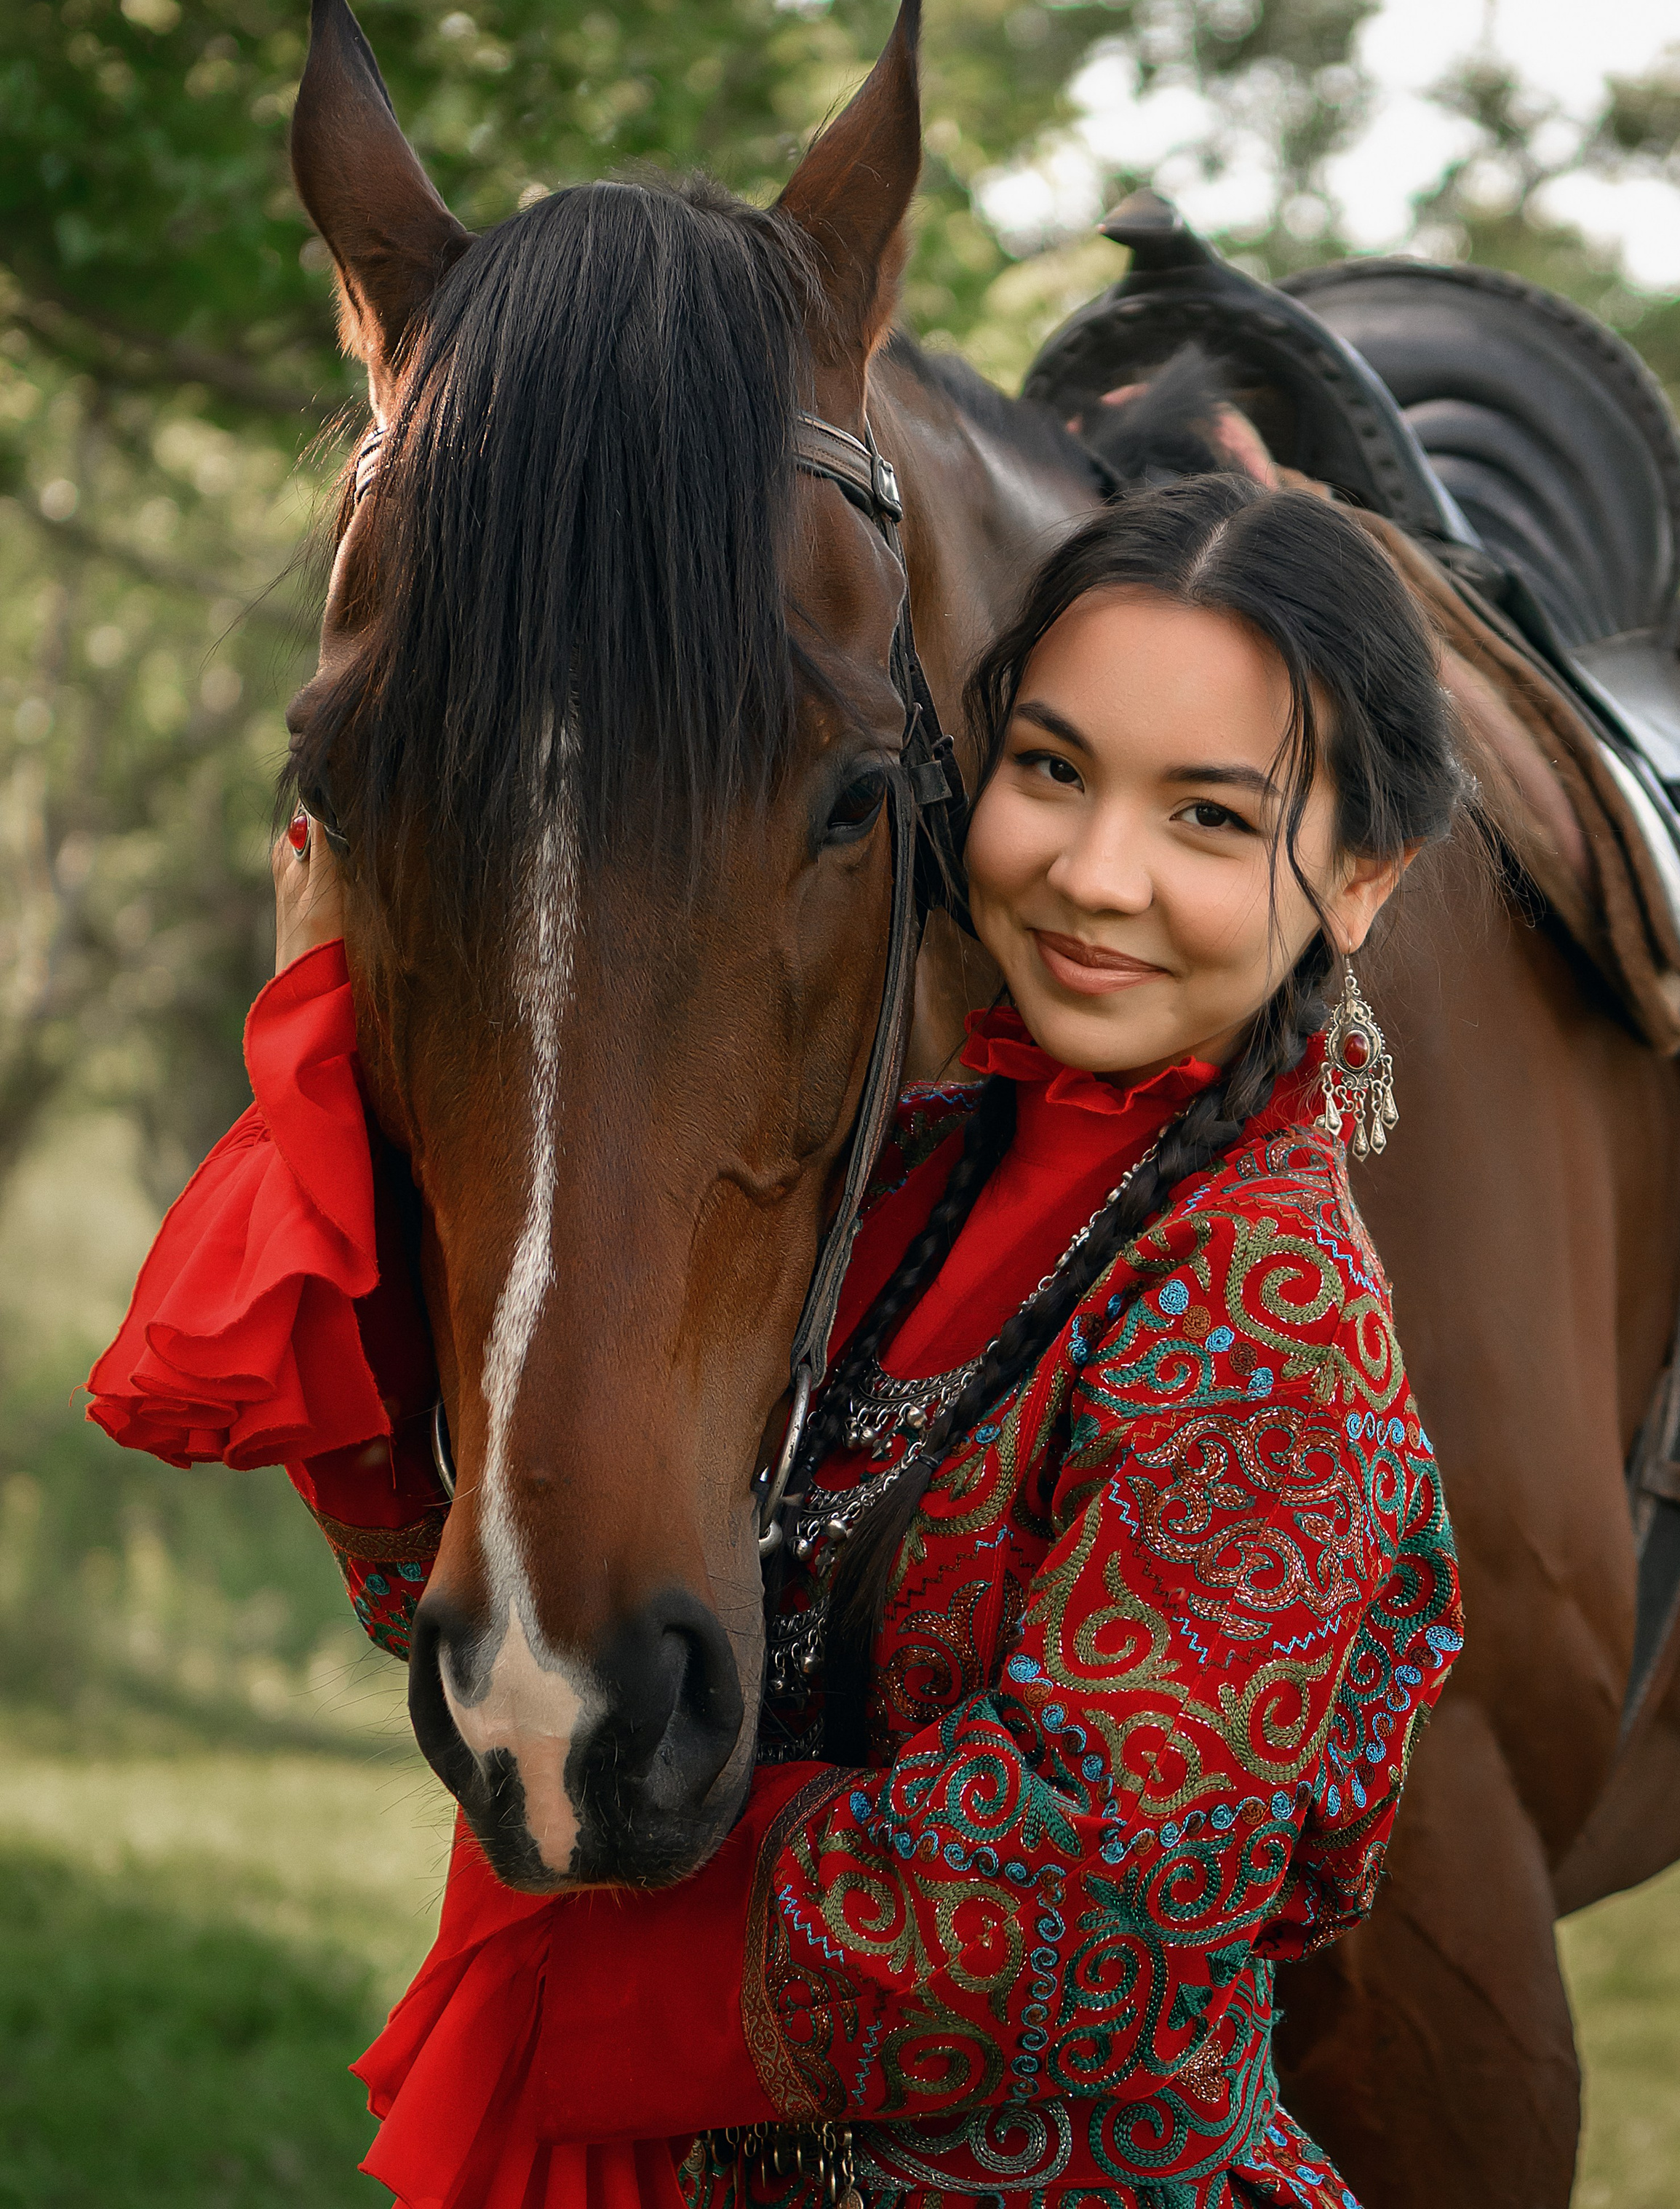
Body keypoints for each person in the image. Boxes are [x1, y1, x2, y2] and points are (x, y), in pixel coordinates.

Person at [90, 470, 1466, 2209]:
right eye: (1051, 770)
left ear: (1357, 879)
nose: (1092, 873)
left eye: (1206, 816)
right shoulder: (887, 1184)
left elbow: (1093, 1894)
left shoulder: (1273, 1319)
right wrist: (339, 1072)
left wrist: (579, 1964)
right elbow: (531, 1599)